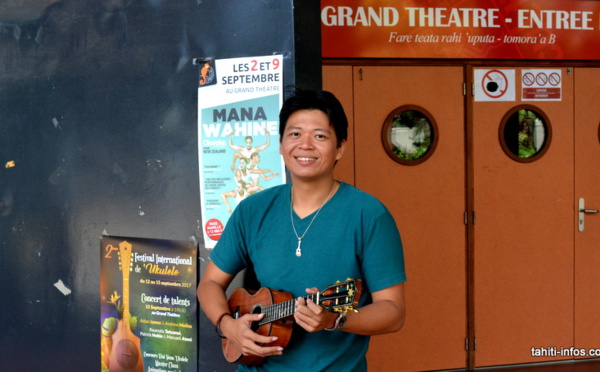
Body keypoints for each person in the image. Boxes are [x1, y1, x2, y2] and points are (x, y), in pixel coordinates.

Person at [198, 90, 406, 371]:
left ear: (340, 148)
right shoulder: (253, 210)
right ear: (281, 145)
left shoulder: (368, 215)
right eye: (295, 134)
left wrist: (336, 319)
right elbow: (209, 283)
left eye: (320, 136)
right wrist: (228, 325)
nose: (305, 145)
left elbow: (393, 312)